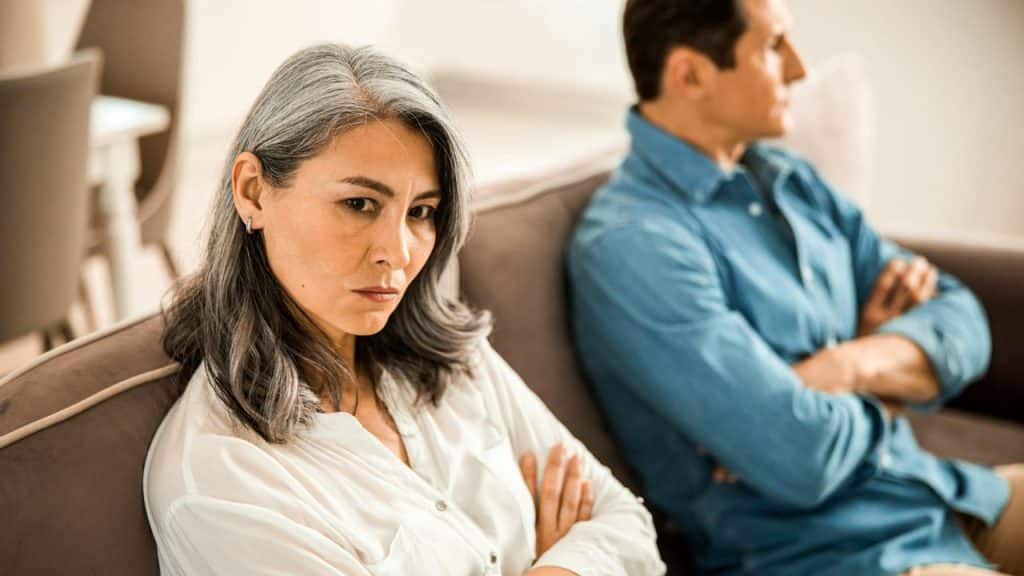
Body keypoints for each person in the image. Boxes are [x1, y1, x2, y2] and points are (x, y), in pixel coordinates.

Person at [144, 43, 665, 576]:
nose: (396, 252)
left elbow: (628, 528)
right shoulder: (223, 484)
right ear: (253, 192)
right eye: (359, 204)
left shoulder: (454, 360)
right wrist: (561, 560)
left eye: (421, 212)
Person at [567, 1, 1023, 575]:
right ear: (691, 75)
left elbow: (964, 323)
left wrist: (846, 365)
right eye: (773, 46)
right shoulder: (635, 244)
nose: (800, 69)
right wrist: (894, 387)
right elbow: (803, 456)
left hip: (946, 498)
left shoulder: (790, 180)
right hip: (843, 558)